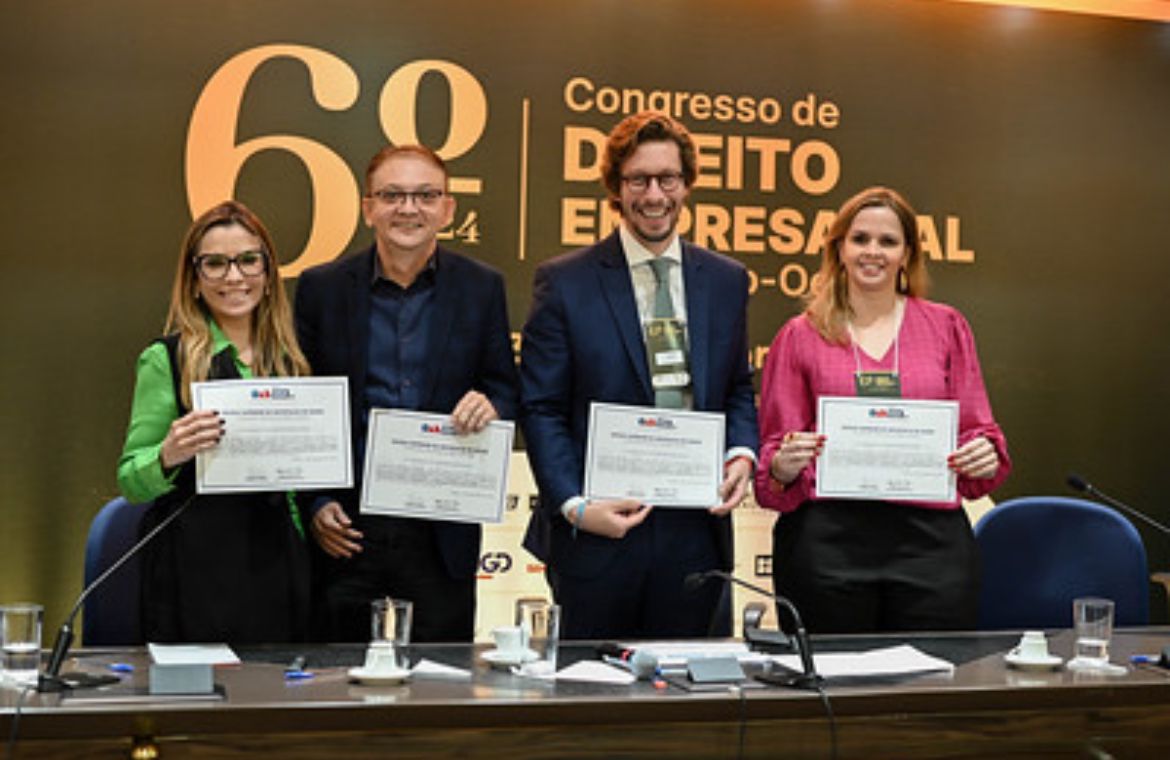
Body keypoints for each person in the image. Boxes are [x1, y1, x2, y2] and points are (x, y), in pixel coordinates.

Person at [520, 111, 758, 639]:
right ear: (615, 188)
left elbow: (738, 387)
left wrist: (742, 453)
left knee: (693, 706)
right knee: (591, 704)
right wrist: (575, 506)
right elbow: (541, 407)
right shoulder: (564, 282)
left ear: (687, 184)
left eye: (667, 179)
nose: (654, 194)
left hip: (697, 533)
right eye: (638, 180)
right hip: (599, 533)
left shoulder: (725, 280)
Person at [755, 186, 1011, 633]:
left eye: (888, 241)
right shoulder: (800, 335)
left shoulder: (946, 326)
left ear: (907, 254)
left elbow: (977, 432)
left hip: (931, 546)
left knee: (931, 689)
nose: (872, 252)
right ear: (839, 248)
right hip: (827, 546)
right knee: (837, 693)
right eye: (860, 239)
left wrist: (983, 452)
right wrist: (782, 464)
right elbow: (774, 462)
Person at [294, 144, 518, 643]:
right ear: (368, 206)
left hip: (441, 530)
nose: (409, 208)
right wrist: (316, 500)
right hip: (347, 531)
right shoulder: (321, 289)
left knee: (441, 686)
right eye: (393, 195)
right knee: (334, 689)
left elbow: (506, 385)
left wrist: (491, 404)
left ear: (447, 209)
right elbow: (306, 406)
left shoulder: (483, 287)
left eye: (424, 195)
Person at [117, 200, 311, 644]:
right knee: (200, 709)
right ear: (194, 278)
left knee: (280, 703)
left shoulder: (292, 363)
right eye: (216, 264)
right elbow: (130, 479)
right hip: (194, 574)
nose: (234, 277)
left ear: (267, 271)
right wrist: (169, 454)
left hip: (280, 569)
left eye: (248, 260)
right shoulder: (167, 359)